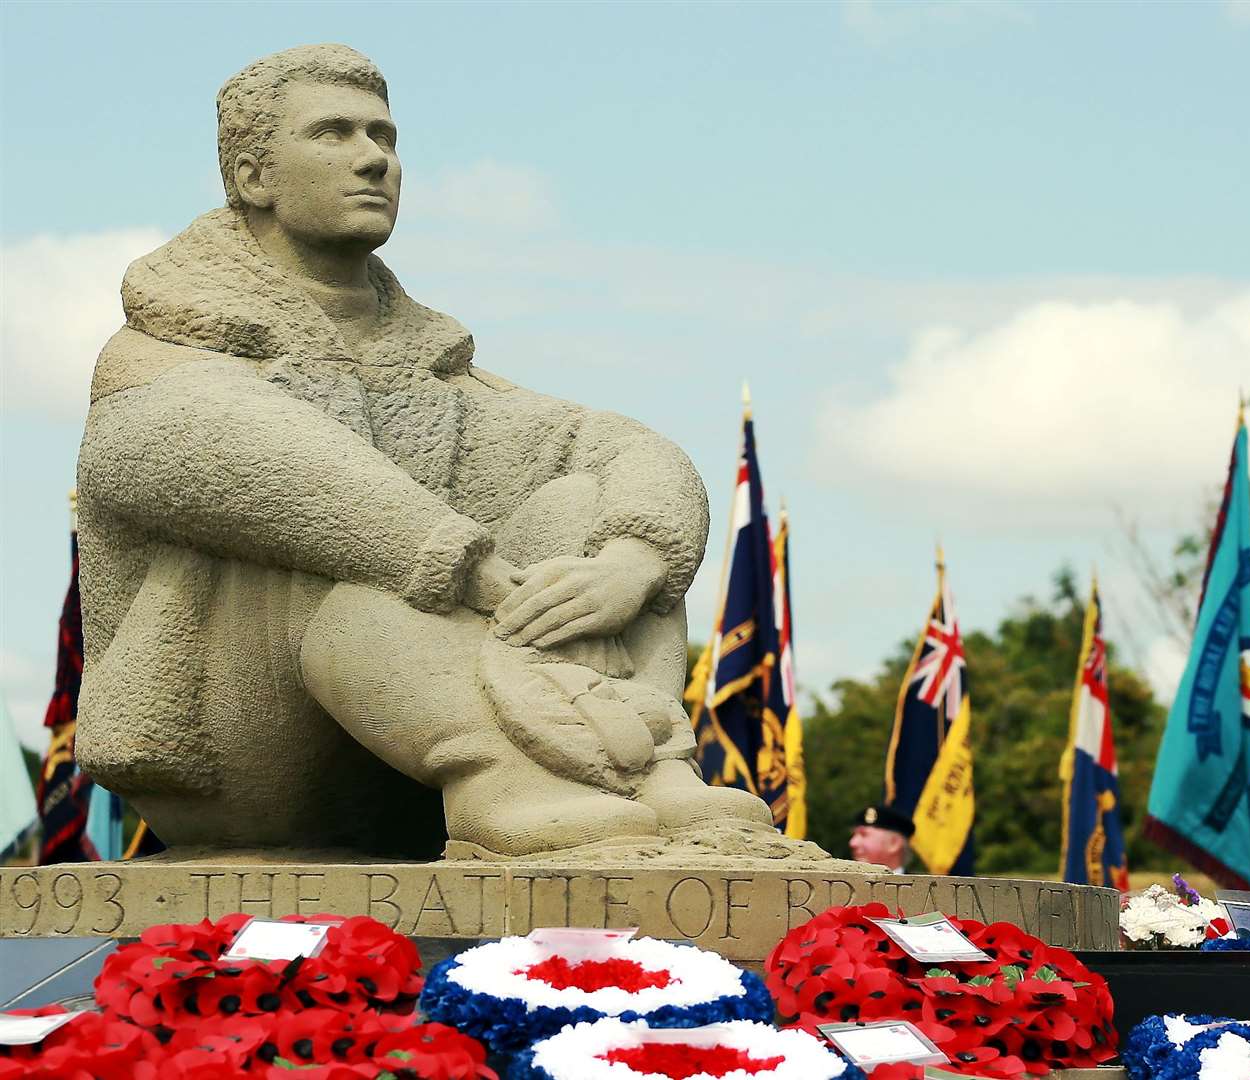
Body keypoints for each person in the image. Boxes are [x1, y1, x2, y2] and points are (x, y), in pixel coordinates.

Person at [74, 44, 772, 860]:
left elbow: (623, 446)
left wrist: (634, 557)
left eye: (384, 136)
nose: (374, 159)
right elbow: (223, 443)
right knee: (325, 534)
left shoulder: (430, 368)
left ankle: (638, 765)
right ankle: (505, 774)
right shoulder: (157, 353)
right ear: (254, 177)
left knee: (586, 506)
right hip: (249, 762)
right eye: (334, 133)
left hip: (401, 780)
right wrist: (449, 555)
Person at [850, 805, 914, 872]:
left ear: (894, 843)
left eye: (864, 834)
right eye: (854, 835)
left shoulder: (922, 882)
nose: (852, 843)